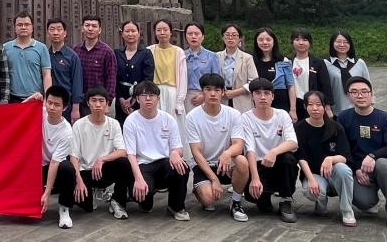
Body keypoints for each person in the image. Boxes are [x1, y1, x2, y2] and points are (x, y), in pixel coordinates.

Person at [338, 75, 387, 229]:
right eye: (354, 92)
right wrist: (356, 169)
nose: (360, 95)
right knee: (364, 202)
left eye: (364, 91)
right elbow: (343, 149)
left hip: (385, 165)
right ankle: (371, 197)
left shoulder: (384, 118)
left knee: (382, 165)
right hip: (358, 168)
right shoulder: (343, 117)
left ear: (371, 94)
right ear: (348, 96)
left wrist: (372, 156)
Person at [184, 72, 250, 222]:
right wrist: (214, 179)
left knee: (242, 161)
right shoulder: (192, 117)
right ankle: (200, 189)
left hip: (225, 163)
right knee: (208, 200)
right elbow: (196, 153)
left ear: (223, 92)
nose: (212, 94)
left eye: (217, 90)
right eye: (208, 89)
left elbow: (239, 144)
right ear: (202, 92)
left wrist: (226, 154)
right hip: (204, 164)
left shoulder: (233, 114)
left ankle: (236, 202)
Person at [123, 80, 190, 221]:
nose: (148, 99)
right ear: (137, 99)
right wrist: (138, 179)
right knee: (142, 200)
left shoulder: (168, 119)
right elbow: (131, 154)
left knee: (182, 167)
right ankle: (146, 197)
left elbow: (178, 147)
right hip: (142, 165)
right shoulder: (131, 121)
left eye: (152, 95)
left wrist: (174, 153)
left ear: (158, 98)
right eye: (144, 95)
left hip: (163, 163)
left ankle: (176, 207)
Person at [240, 77, 299, 223]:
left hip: (278, 162)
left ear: (273, 96)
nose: (262, 97)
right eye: (258, 93)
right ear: (252, 96)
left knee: (289, 159)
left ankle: (286, 200)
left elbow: (292, 142)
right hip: (258, 164)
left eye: (267, 93)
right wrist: (254, 178)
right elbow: (249, 150)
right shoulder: (245, 118)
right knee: (255, 196)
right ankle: (264, 197)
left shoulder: (282, 114)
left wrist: (273, 152)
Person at [294, 89, 356, 227]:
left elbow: (345, 157)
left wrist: (330, 159)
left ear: (325, 106)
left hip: (333, 173)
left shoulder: (335, 127)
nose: (315, 108)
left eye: (318, 104)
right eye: (310, 104)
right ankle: (321, 201)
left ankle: (347, 210)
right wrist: (311, 179)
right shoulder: (299, 128)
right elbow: (301, 157)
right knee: (311, 191)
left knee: (343, 169)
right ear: (305, 106)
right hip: (314, 174)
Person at [70, 85, 133, 220]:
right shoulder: (79, 125)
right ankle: (91, 194)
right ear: (88, 103)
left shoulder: (113, 124)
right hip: (85, 171)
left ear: (107, 103)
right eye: (94, 100)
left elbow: (122, 151)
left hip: (104, 169)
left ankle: (117, 201)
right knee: (86, 206)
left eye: (101, 101)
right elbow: (73, 156)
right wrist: (78, 180)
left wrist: (101, 159)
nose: (97, 104)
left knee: (124, 163)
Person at [40, 85, 77, 228]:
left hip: (54, 167)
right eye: (49, 103)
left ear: (65, 107)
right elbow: (17, 114)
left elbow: (55, 162)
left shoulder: (66, 131)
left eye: (56, 105)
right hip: (35, 165)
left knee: (68, 169)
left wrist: (47, 193)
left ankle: (64, 208)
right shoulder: (40, 113)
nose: (51, 108)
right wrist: (30, 99)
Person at [4, 12, 52, 102]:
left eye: (27, 24)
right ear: (14, 28)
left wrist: (47, 97)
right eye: (20, 25)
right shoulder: (6, 48)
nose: (23, 27)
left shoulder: (41, 48)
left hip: (35, 98)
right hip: (12, 99)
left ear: (32, 27)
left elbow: (46, 74)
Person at [114, 20, 154, 127]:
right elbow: (114, 78)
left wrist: (133, 99)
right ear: (122, 34)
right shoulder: (117, 53)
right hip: (120, 100)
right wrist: (121, 99)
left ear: (139, 33)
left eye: (133, 31)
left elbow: (148, 78)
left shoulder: (146, 53)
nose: (130, 34)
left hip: (140, 99)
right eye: (127, 31)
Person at [75, 15, 116, 117]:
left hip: (99, 102)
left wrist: (108, 103)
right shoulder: (76, 50)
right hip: (80, 101)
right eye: (87, 25)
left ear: (100, 30)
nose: (90, 29)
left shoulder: (107, 52)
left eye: (94, 26)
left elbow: (111, 79)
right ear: (82, 28)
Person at [290, 28, 334, 119]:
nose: (301, 43)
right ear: (292, 42)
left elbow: (325, 85)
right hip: (294, 104)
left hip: (312, 104)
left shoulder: (318, 63)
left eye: (304, 40)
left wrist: (327, 107)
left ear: (310, 43)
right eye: (297, 39)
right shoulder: (287, 62)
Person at [253, 28, 296, 120]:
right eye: (260, 40)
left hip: (281, 105)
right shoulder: (251, 61)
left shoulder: (284, 61)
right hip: (259, 105)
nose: (265, 42)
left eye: (268, 39)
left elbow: (291, 86)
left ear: (274, 41)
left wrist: (293, 110)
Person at [148, 19, 187, 119]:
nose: (162, 33)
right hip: (154, 92)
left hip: (172, 93)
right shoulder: (149, 50)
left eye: (165, 30)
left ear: (171, 32)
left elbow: (183, 78)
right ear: (155, 32)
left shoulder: (178, 52)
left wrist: (180, 101)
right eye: (159, 30)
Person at [325, 30, 371, 115]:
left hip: (359, 109)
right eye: (338, 42)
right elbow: (323, 88)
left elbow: (368, 85)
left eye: (345, 42)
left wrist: (371, 103)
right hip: (335, 110)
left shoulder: (360, 63)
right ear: (332, 43)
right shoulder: (325, 64)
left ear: (350, 44)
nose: (342, 45)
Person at [46, 18, 83, 122]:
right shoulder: (44, 54)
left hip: (65, 104)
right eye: (52, 29)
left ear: (65, 33)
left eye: (59, 29)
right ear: (48, 33)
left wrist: (75, 109)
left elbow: (77, 83)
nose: (55, 33)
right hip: (48, 103)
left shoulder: (72, 56)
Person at [217, 23, 258, 112]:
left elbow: (254, 82)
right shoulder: (216, 57)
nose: (230, 38)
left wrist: (234, 93)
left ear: (240, 38)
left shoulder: (247, 58)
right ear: (223, 37)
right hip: (221, 99)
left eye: (234, 35)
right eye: (227, 35)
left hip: (242, 100)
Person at [184, 22, 221, 115]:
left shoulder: (212, 56)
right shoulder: (181, 55)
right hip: (185, 96)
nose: (193, 36)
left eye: (197, 34)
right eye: (190, 34)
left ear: (203, 36)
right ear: (186, 36)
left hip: (207, 95)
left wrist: (204, 95)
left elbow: (217, 80)